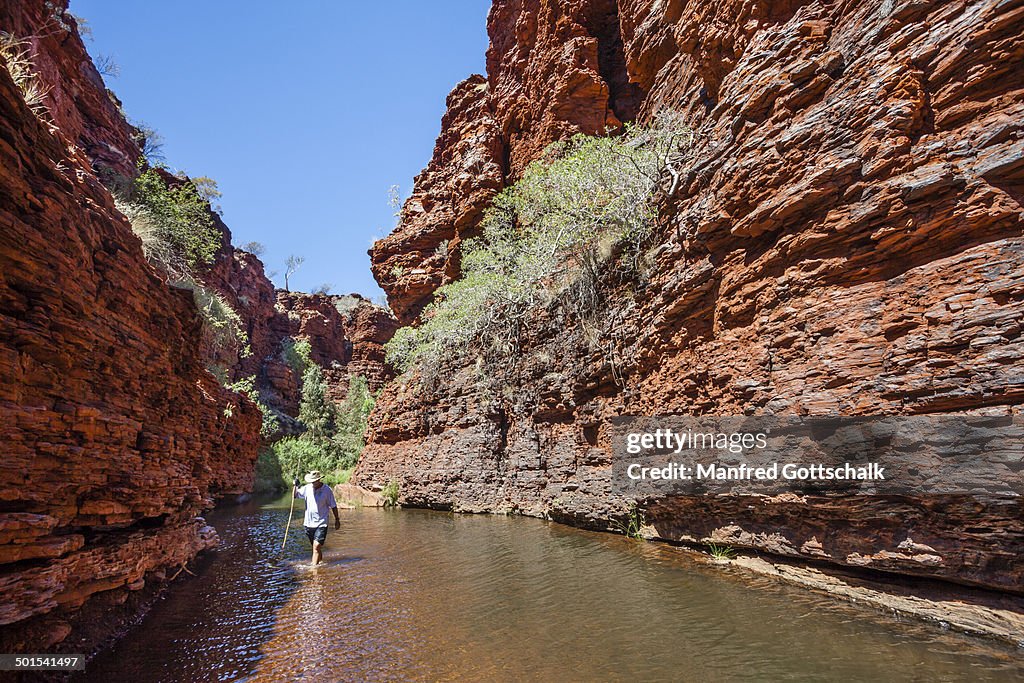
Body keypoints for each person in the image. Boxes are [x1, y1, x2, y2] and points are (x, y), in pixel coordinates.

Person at [293, 470, 341, 566]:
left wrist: (337, 519)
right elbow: (295, 495)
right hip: (308, 523)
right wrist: (295, 486)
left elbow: (333, 505)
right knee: (316, 548)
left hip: (321, 522)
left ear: (319, 479)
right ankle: (320, 563)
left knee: (316, 546)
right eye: (312, 481)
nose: (313, 483)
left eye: (314, 481)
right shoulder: (307, 488)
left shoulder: (327, 490)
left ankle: (313, 568)